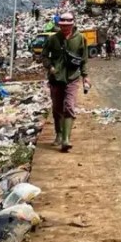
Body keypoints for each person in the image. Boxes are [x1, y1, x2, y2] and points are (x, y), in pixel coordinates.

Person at [42, 12, 90, 152]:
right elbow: (44, 55)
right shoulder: (53, 39)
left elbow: (84, 59)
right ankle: (59, 133)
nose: (65, 28)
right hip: (56, 78)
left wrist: (85, 76)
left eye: (67, 25)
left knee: (69, 105)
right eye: (62, 25)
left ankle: (66, 140)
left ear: (72, 25)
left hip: (72, 77)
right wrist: (50, 67)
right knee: (57, 108)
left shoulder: (80, 39)